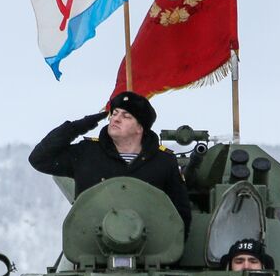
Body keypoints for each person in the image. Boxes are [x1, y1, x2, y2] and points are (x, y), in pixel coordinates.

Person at [28, 91, 191, 233]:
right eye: (114, 113)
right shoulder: (86, 153)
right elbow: (40, 159)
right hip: (92, 249)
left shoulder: (163, 161)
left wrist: (169, 250)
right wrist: (77, 127)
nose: (116, 119)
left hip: (149, 251)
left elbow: (180, 214)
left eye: (126, 116)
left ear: (140, 128)